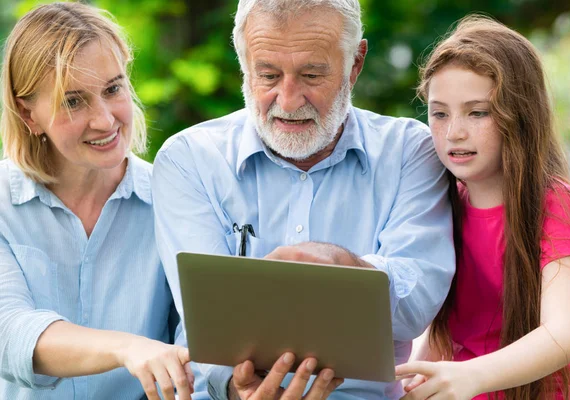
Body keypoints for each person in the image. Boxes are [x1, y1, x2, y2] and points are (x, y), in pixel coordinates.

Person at [152, 0, 456, 399]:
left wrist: (343, 264)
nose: (289, 99)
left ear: (355, 64)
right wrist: (235, 386)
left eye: (312, 74)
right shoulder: (189, 158)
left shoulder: (409, 151)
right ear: (244, 64)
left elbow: (418, 304)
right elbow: (204, 322)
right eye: (268, 75)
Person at [394, 15, 570, 400]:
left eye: (478, 112)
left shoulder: (557, 203)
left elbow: (561, 336)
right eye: (439, 113)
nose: (454, 131)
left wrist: (469, 377)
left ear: (519, 115)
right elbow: (445, 338)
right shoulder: (443, 201)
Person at [0, 3, 195, 400]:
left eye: (113, 89)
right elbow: (9, 332)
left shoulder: (174, 196)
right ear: (28, 113)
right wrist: (127, 347)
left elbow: (198, 335)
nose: (105, 120)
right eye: (73, 101)